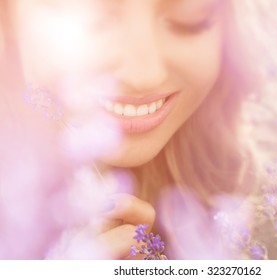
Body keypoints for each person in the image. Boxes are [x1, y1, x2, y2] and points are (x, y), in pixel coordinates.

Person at [0, 0, 258, 259]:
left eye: (187, 18)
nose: (144, 76)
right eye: (94, 18)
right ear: (8, 15)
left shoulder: (245, 207)